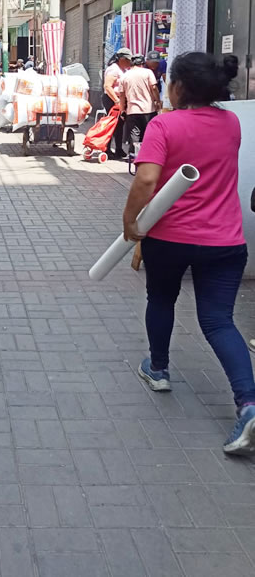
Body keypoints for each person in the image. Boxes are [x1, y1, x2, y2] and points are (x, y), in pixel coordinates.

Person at [123, 52, 255, 455]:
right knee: (218, 320)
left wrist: (131, 222)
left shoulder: (165, 124)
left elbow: (147, 178)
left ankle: (158, 369)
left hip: (171, 237)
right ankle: (248, 405)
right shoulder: (231, 122)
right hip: (225, 240)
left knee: (161, 298)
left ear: (178, 86)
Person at [118, 54, 160, 157]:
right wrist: (158, 101)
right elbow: (154, 88)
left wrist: (122, 109)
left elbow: (122, 95)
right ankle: (149, 155)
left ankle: (134, 155)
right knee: (149, 133)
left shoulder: (124, 76)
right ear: (142, 63)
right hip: (148, 109)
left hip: (132, 110)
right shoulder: (148, 72)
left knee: (134, 134)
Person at [103, 47, 132, 159]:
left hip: (120, 100)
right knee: (112, 124)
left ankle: (118, 149)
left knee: (119, 125)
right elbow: (107, 86)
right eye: (128, 60)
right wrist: (116, 101)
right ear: (121, 59)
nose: (129, 62)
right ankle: (107, 149)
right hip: (112, 99)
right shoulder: (113, 69)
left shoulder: (123, 70)